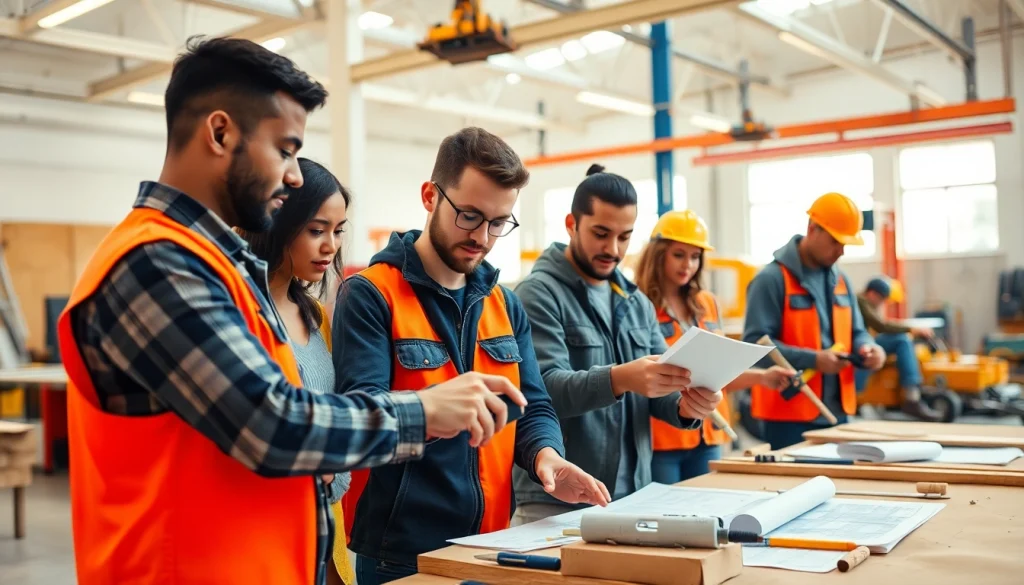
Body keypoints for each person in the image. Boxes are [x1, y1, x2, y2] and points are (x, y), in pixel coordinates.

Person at [55, 37, 524, 585]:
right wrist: (423, 411)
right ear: (220, 132)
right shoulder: (155, 264)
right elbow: (272, 423)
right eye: (285, 149)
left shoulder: (218, 270)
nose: (297, 175)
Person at [332, 127, 611, 585]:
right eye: (468, 215)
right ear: (429, 196)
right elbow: (362, 418)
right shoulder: (371, 294)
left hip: (493, 542)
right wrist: (435, 407)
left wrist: (546, 457)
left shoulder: (505, 303)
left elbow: (533, 404)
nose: (482, 237)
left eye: (499, 222)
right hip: (401, 552)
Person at [511, 165, 722, 525]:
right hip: (558, 500)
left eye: (625, 237)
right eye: (601, 234)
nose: (613, 249)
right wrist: (619, 378)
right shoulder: (538, 294)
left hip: (634, 495)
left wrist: (689, 406)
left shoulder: (635, 301)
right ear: (571, 224)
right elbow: (540, 389)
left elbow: (661, 390)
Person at [237, 157, 358, 585]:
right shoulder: (242, 314)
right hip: (265, 535)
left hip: (325, 530)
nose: (331, 246)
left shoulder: (316, 317)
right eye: (316, 230)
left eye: (338, 231)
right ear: (278, 223)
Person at [634, 210, 795, 484]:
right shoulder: (639, 305)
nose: (688, 265)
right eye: (679, 254)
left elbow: (715, 375)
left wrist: (761, 378)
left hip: (709, 434)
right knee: (668, 520)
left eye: (695, 256)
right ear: (658, 254)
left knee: (705, 517)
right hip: (663, 439)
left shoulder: (707, 303)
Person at [742, 192, 886, 450]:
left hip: (838, 413)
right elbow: (754, 347)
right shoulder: (771, 279)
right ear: (812, 229)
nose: (840, 251)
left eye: (845, 244)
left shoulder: (841, 280)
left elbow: (858, 332)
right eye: (835, 241)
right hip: (789, 419)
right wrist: (814, 360)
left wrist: (870, 348)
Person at [856, 277, 942, 421]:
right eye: (882, 299)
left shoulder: (866, 303)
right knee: (902, 341)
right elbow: (881, 325)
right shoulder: (860, 301)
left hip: (865, 341)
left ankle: (912, 390)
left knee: (902, 340)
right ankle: (911, 396)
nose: (882, 303)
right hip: (861, 344)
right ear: (872, 293)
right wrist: (911, 329)